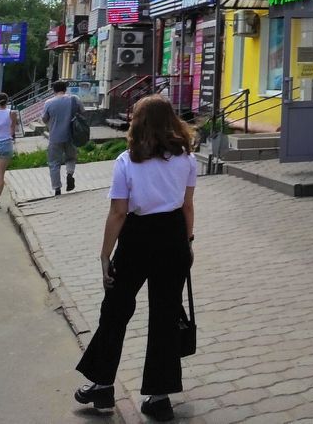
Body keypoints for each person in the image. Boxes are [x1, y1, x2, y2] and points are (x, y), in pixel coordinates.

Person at [75, 95, 196, 422]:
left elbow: (118, 212)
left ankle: (102, 385)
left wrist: (105, 254)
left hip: (137, 237)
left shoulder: (127, 161)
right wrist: (187, 243)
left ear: (138, 123)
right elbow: (187, 206)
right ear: (171, 121)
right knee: (166, 314)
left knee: (115, 309)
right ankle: (159, 397)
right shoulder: (186, 159)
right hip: (173, 235)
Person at [42, 80, 85, 197]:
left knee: (54, 163)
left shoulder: (48, 103)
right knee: (71, 158)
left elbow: (44, 119)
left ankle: (57, 189)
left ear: (53, 90)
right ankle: (70, 174)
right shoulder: (74, 99)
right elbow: (83, 112)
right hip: (71, 135)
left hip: (55, 137)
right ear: (65, 89)